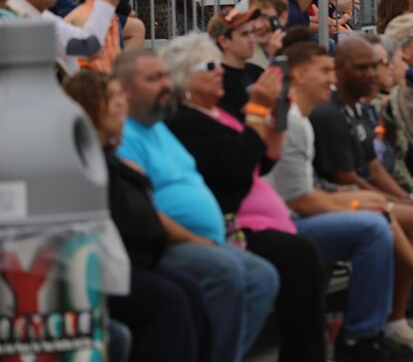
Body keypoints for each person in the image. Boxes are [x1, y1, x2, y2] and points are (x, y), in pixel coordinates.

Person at [158, 34, 330, 362]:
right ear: (183, 79)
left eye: (218, 64)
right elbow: (234, 167)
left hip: (249, 222)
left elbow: (261, 159)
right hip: (230, 228)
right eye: (209, 66)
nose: (219, 71)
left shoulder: (217, 114)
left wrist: (275, 118)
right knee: (298, 257)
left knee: (303, 257)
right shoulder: (184, 121)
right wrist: (255, 109)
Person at [113, 49, 279, 362]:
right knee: (225, 271)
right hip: (166, 244)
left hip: (208, 238)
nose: (166, 84)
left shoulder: (158, 126)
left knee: (262, 276)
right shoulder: (125, 135)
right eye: (154, 78)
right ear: (124, 89)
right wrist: (194, 239)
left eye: (165, 76)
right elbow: (141, 210)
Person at [308, 36, 413, 349]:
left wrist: (407, 198)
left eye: (374, 66)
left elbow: (375, 167)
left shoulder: (357, 110)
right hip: (341, 198)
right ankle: (396, 318)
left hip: (362, 192)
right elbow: (346, 177)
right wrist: (396, 202)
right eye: (362, 68)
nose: (371, 74)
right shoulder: (329, 114)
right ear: (338, 70)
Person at [63, 70, 211, 362]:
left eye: (121, 96)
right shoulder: (81, 160)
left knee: (190, 291)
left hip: (139, 259)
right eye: (111, 98)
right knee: (169, 302)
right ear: (89, 106)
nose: (121, 104)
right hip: (101, 269)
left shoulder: (111, 155)